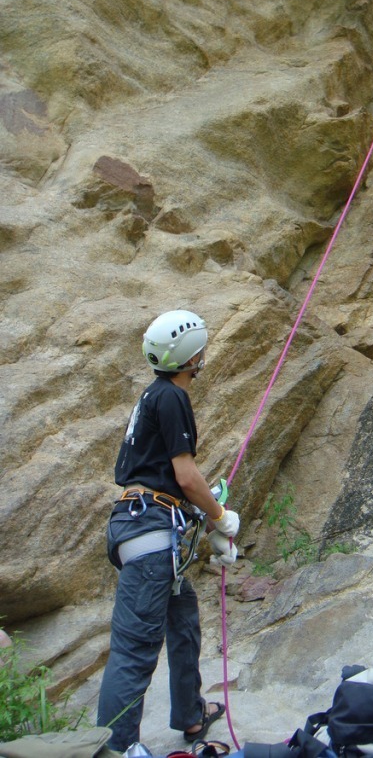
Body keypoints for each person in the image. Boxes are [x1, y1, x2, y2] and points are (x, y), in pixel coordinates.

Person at [97, 309, 240, 753]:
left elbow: (164, 479)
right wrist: (220, 516)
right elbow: (185, 476)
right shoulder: (173, 398)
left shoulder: (152, 396)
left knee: (184, 622)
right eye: (202, 346)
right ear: (191, 355)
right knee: (135, 650)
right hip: (150, 529)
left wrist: (202, 519)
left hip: (146, 525)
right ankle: (116, 749)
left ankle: (190, 716)